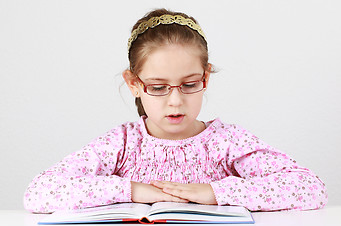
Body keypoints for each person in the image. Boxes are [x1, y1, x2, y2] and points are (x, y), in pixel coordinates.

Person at [23, 8, 328, 214]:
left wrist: (215, 193)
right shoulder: (122, 144)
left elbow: (311, 188)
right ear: (134, 84)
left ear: (205, 77)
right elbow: (39, 192)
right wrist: (134, 190)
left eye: (189, 84)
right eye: (157, 87)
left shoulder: (226, 142)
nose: (175, 102)